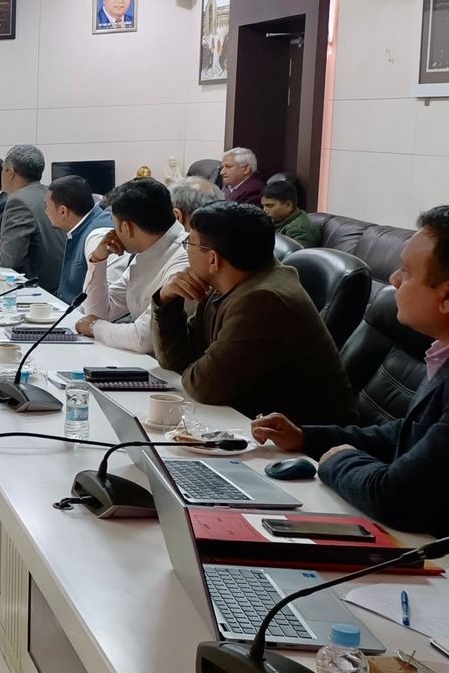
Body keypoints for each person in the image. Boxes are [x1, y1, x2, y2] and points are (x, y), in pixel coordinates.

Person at [250, 206, 449, 536]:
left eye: (406, 272)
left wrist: (339, 460)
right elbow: (408, 434)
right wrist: (307, 437)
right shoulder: (441, 353)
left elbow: (396, 497)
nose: (394, 280)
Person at [150, 201, 354, 423]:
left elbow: (203, 387)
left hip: (304, 437)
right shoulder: (227, 284)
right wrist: (166, 298)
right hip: (248, 420)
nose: (186, 249)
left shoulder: (262, 301)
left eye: (189, 243)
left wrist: (193, 366)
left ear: (213, 259)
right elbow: (177, 360)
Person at [74, 178, 190, 353]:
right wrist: (98, 259)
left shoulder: (185, 257)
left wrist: (94, 327)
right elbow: (97, 313)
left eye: (115, 226)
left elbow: (145, 337)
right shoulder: (149, 250)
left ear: (126, 228)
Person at [0, 145, 66, 293]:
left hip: (36, 289)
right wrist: (1, 246)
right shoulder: (50, 192)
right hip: (59, 284)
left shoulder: (18, 200)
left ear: (10, 173)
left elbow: (9, 260)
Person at [44, 175, 114, 303]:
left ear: (63, 211)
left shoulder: (98, 235)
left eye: (47, 207)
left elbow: (104, 295)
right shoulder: (85, 225)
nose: (46, 212)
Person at [261, 178, 320, 248]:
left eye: (270, 206)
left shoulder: (299, 230)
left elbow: (294, 254)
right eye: (263, 206)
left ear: (288, 205)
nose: (264, 210)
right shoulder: (279, 220)